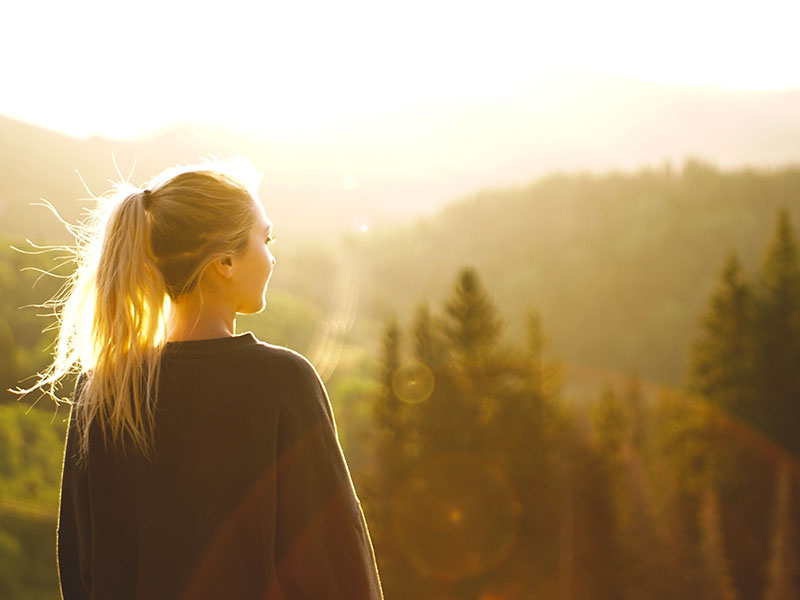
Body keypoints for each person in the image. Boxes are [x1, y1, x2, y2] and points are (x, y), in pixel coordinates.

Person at [22, 160, 383, 599]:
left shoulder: (106, 391)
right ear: (225, 261)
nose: (271, 257)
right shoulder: (284, 383)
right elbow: (338, 569)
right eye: (264, 240)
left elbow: (82, 567)